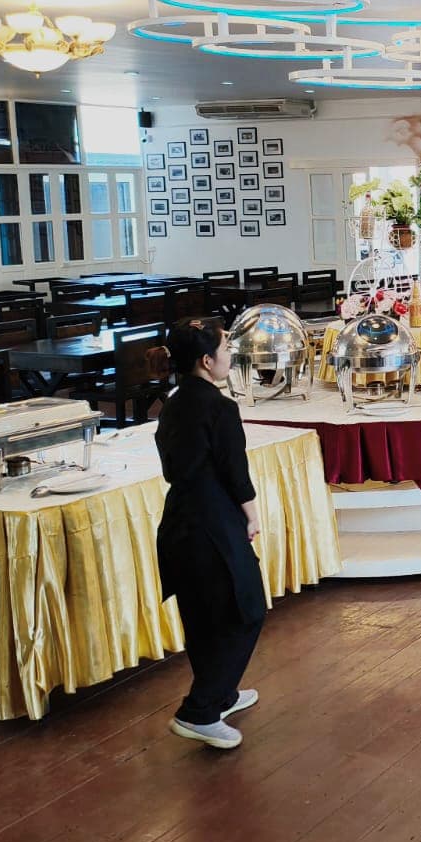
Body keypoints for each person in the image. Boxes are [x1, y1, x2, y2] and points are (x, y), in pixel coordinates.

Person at [150, 318, 263, 751]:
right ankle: (198, 712)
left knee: (202, 615)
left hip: (179, 520)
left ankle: (221, 695)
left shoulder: (172, 402)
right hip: (212, 522)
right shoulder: (219, 407)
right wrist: (252, 516)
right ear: (206, 360)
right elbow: (236, 472)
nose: (229, 356)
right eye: (225, 349)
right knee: (245, 609)